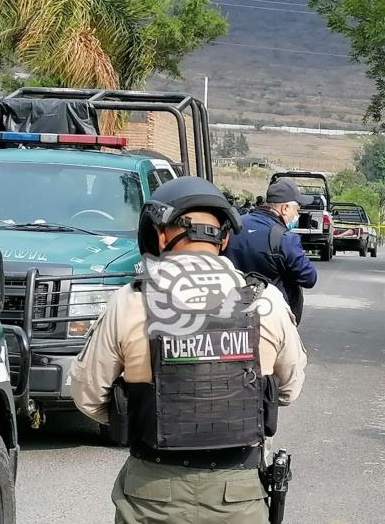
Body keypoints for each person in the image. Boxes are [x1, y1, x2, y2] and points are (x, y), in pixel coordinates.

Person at [68, 176, 307, 524]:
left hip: (151, 494)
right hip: (239, 494)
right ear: (225, 237)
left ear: (160, 234)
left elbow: (87, 394)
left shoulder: (130, 302)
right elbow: (289, 388)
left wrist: (139, 414)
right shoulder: (265, 301)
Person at [223, 179, 317, 324]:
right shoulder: (285, 239)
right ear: (285, 208)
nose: (297, 215)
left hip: (230, 312)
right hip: (271, 316)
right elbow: (309, 278)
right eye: (297, 210)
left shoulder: (234, 227)